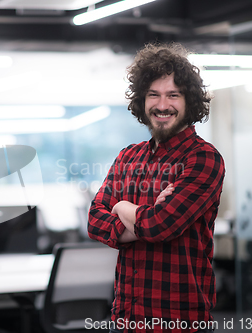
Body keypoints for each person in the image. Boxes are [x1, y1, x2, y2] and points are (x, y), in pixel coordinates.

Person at [88, 42, 225, 333]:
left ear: (189, 101)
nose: (163, 105)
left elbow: (158, 227)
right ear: (142, 101)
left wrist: (121, 206)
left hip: (178, 322)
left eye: (173, 95)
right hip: (124, 319)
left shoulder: (203, 158)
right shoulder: (129, 156)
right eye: (154, 95)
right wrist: (144, 216)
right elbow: (94, 222)